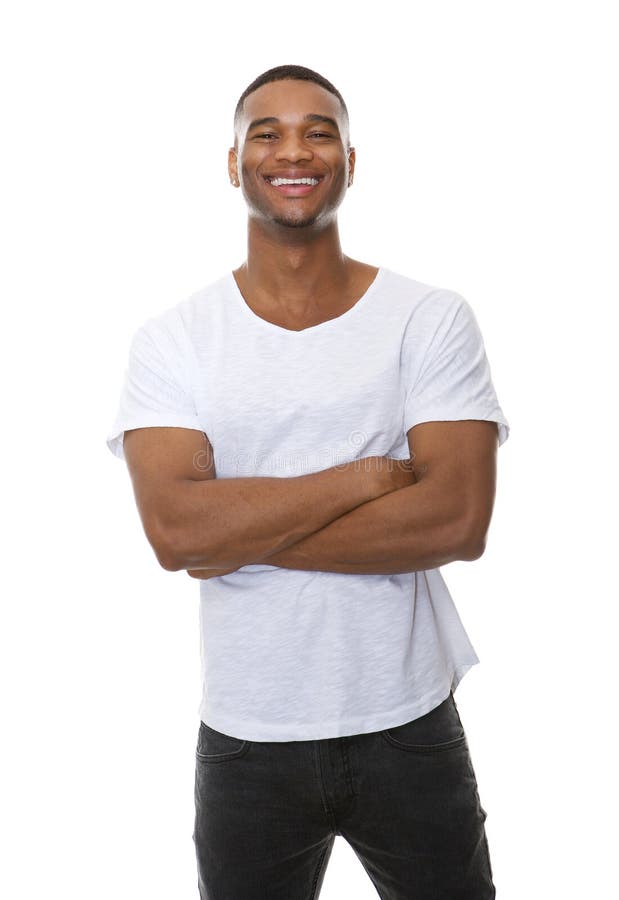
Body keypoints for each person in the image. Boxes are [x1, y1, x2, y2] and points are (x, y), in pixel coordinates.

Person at [106, 63, 510, 899]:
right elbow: (177, 535)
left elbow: (457, 520)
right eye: (268, 131)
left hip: (406, 721)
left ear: (350, 161)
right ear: (234, 163)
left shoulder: (426, 318)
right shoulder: (174, 339)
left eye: (318, 131)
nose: (294, 150)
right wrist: (364, 478)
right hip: (248, 735)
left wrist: (237, 531)